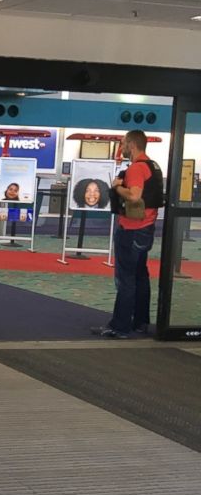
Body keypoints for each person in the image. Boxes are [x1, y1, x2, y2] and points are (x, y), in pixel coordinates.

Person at [94, 130, 163, 339]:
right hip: (146, 229)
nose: (121, 148)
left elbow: (134, 197)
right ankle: (140, 321)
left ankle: (120, 326)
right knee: (140, 276)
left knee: (126, 279)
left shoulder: (136, 168)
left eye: (123, 144)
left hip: (132, 230)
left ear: (132, 145)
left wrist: (117, 188)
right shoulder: (153, 166)